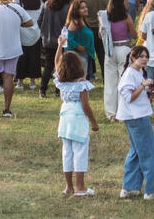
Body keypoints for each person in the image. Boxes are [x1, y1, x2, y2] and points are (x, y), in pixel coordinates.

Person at [117, 44, 154, 200]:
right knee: (150, 152)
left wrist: (148, 90)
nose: (144, 59)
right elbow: (128, 96)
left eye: (146, 56)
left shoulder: (138, 72)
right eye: (140, 56)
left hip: (136, 116)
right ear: (133, 57)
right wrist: (142, 86)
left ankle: (129, 188)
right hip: (136, 117)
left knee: (136, 152)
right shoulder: (130, 74)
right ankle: (153, 190)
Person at [54, 49, 99, 197]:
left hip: (65, 117)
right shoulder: (81, 84)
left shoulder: (61, 82)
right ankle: (80, 187)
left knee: (67, 152)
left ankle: (69, 186)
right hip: (78, 117)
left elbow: (56, 62)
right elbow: (85, 106)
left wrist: (59, 46)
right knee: (80, 152)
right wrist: (94, 122)